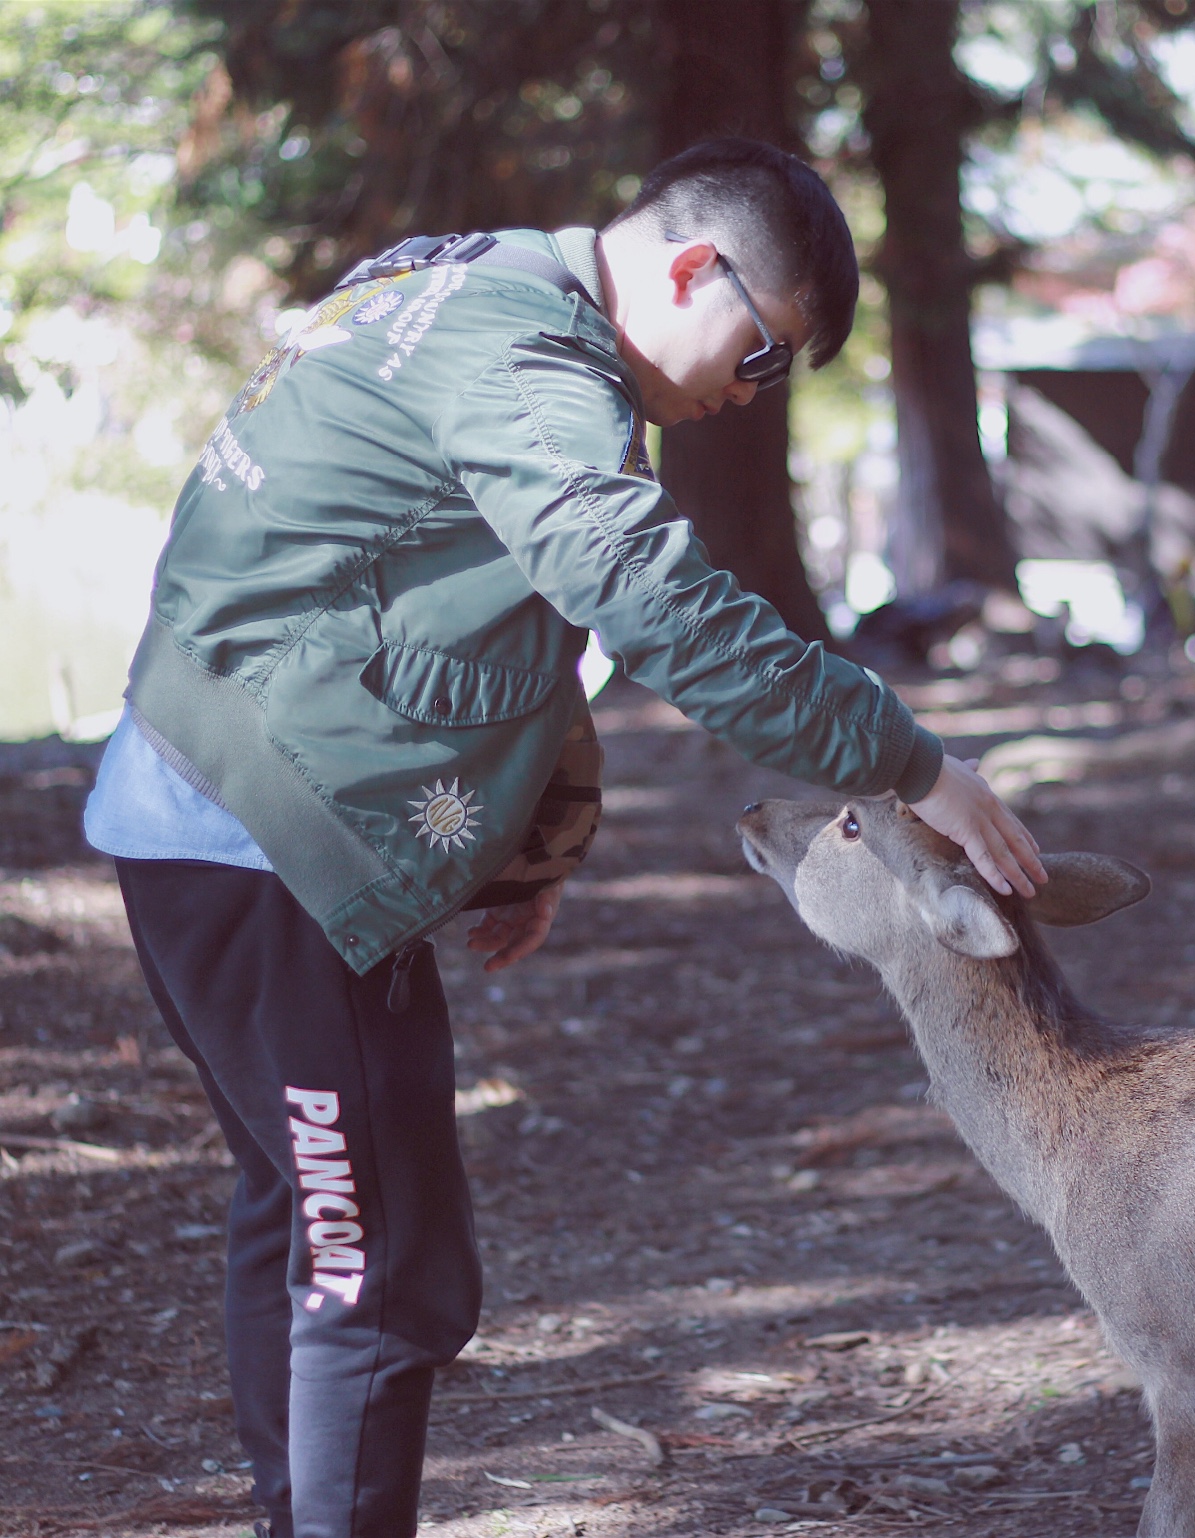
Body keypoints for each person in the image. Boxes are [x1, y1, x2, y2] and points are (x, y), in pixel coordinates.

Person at [81, 137, 1045, 1538]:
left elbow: (491, 609)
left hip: (227, 816)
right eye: (763, 352)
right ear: (692, 266)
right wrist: (908, 760)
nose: (747, 398)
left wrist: (531, 844)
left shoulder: (480, 295)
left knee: (319, 1229)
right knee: (383, 1268)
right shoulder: (530, 353)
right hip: (262, 844)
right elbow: (645, 601)